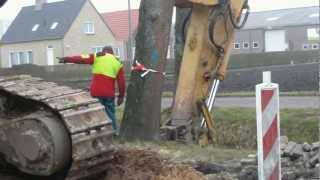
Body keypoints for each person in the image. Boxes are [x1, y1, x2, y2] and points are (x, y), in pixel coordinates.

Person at [57, 46, 125, 133]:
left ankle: (97, 132)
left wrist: (66, 59)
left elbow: (81, 58)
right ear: (112, 53)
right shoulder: (117, 63)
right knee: (110, 113)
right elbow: (121, 82)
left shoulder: (97, 56)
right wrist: (121, 96)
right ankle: (114, 132)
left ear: (103, 51)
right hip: (109, 94)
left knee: (96, 113)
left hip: (96, 92)